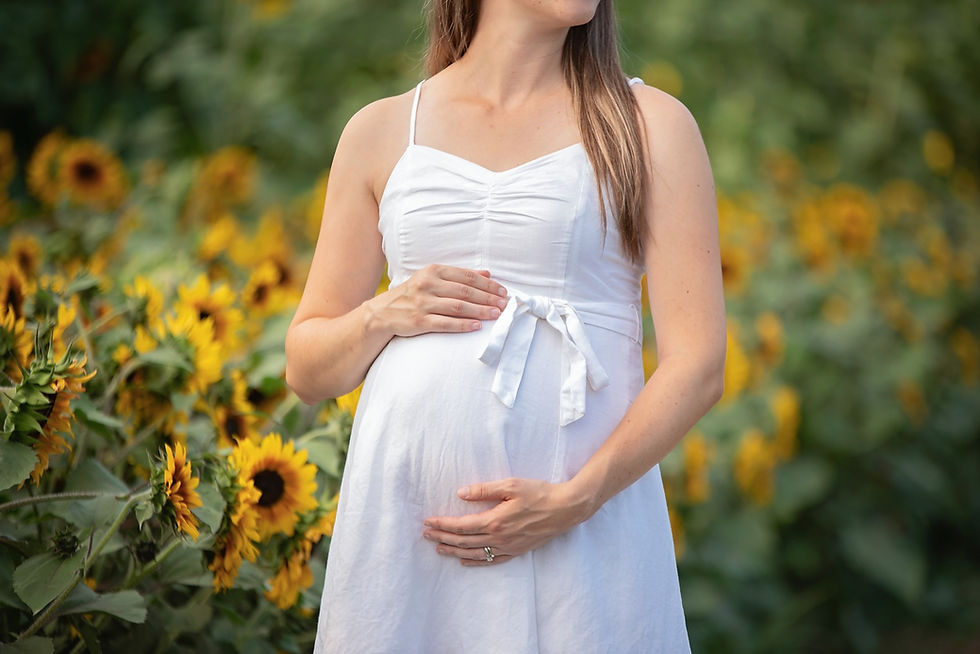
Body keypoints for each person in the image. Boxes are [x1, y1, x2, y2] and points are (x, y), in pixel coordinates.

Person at [285, 0, 726, 651]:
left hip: (580, 530)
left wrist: (575, 500)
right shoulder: (380, 131)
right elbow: (306, 368)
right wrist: (384, 312)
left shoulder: (648, 125)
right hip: (407, 536)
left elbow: (700, 365)